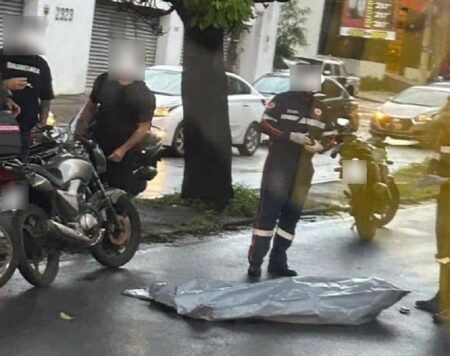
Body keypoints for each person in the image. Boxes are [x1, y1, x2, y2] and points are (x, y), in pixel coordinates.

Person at [247, 63, 337, 278]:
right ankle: (256, 261)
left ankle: (278, 261)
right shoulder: (282, 100)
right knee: (268, 213)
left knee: (291, 216)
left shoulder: (321, 107)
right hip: (279, 165)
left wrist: (321, 146)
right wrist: (290, 137)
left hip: (304, 168)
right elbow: (265, 125)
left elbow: (331, 134)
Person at [75, 39, 155, 193]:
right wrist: (79, 130)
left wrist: (122, 150)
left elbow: (143, 127)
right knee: (90, 185)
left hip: (122, 149)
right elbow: (90, 107)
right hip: (97, 142)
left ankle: (120, 216)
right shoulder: (104, 80)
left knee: (116, 191)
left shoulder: (143, 93)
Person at [415, 96, 450, 322]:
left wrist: (444, 179)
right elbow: (442, 157)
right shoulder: (445, 130)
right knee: (445, 252)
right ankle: (443, 297)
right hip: (446, 199)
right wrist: (432, 171)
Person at [0, 18, 54, 159]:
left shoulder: (41, 64)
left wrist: (40, 127)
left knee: (18, 172)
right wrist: (4, 84)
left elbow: (46, 100)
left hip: (26, 129)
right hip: (3, 124)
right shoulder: (2, 56)